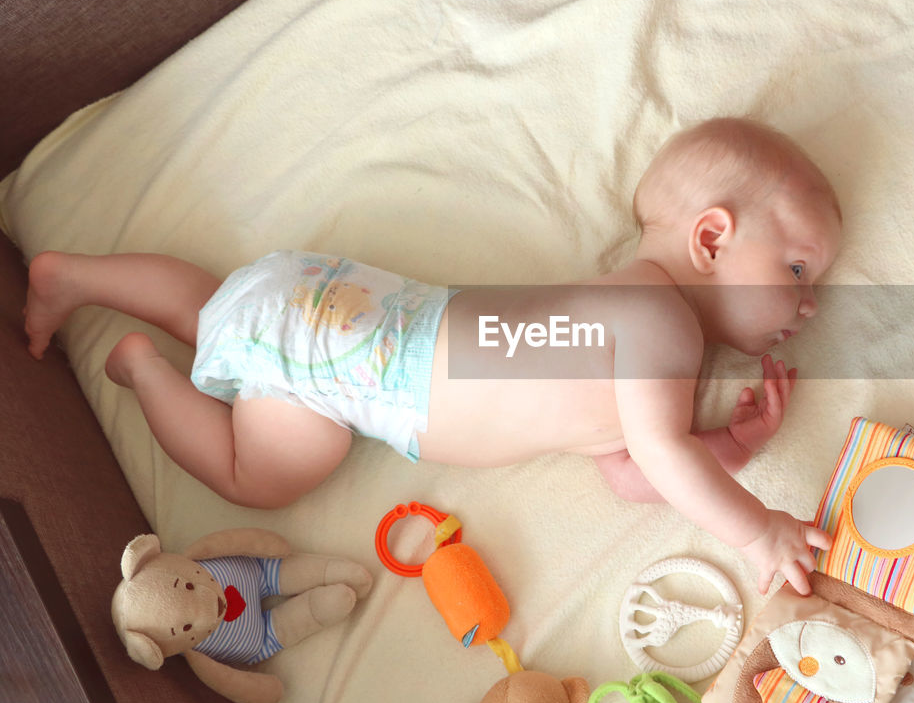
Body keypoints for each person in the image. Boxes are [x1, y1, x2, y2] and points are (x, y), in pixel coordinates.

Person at [24, 117, 843, 594]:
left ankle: (77, 275)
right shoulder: (660, 324)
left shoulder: (637, 316)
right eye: (798, 269)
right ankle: (142, 369)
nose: (809, 304)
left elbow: (629, 468)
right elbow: (662, 458)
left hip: (349, 305)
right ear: (711, 237)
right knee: (260, 474)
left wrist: (734, 445)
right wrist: (758, 533)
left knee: (219, 311)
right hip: (362, 369)